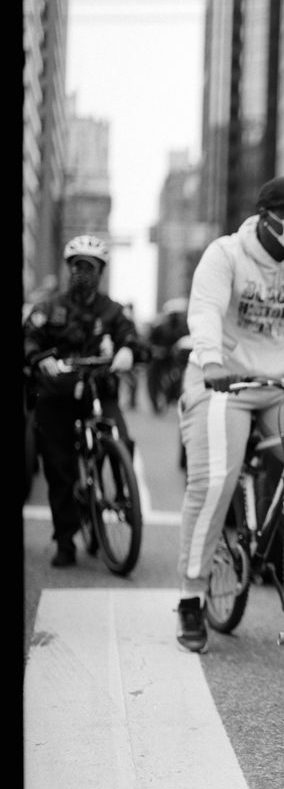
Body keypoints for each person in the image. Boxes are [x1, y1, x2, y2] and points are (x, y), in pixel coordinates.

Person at [175, 175, 284, 653]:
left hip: (280, 382)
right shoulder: (225, 255)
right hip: (223, 380)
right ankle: (190, 595)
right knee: (215, 480)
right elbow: (203, 311)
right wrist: (211, 361)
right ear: (265, 219)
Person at [23, 235, 139, 568]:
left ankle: (120, 495)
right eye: (76, 266)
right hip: (57, 395)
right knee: (59, 468)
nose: (81, 273)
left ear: (99, 272)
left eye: (89, 267)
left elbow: (130, 336)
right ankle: (65, 540)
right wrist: (40, 358)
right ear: (68, 269)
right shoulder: (49, 307)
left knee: (122, 438)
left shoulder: (112, 310)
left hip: (99, 391)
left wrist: (128, 351)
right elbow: (29, 337)